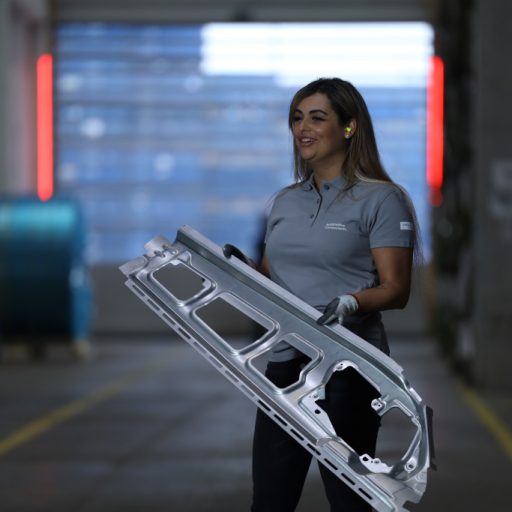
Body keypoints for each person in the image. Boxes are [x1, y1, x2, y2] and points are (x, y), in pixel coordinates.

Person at [248, 77, 421, 512]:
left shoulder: (383, 200)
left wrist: (352, 303)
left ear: (348, 127)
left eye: (317, 118)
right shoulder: (284, 202)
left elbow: (396, 289)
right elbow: (272, 278)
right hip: (284, 368)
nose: (303, 128)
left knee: (350, 502)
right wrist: (237, 272)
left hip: (349, 369)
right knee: (269, 501)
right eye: (297, 118)